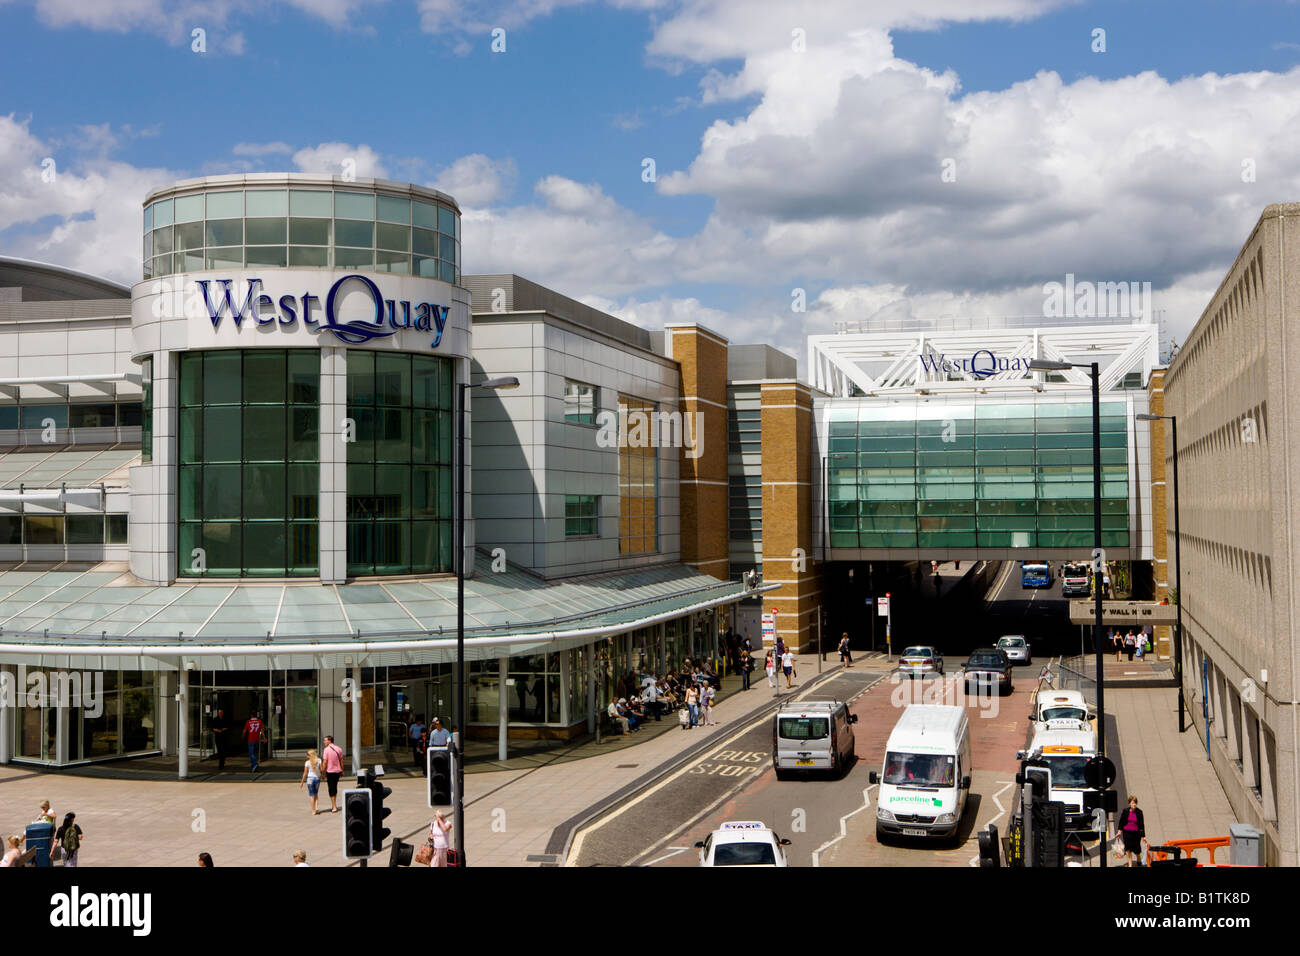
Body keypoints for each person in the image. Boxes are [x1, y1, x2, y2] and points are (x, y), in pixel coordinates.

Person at [1117, 796, 1146, 866]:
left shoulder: (1139, 812)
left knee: (1137, 849)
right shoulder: (1125, 811)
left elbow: (1141, 825)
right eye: (1133, 803)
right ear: (1129, 803)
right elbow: (1121, 822)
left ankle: (1138, 858)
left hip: (1136, 833)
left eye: (1135, 803)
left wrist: (1143, 836)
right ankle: (1130, 864)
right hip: (1127, 833)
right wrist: (1119, 832)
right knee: (1127, 849)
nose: (1134, 804)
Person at [321, 734, 345, 813]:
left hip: (330, 772)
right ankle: (334, 804)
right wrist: (342, 771)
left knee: (331, 788)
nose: (324, 742)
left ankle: (334, 806)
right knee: (334, 787)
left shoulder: (326, 750)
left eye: (325, 740)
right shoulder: (339, 749)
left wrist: (323, 773)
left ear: (329, 741)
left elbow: (325, 762)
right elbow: (341, 761)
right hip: (337, 771)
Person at [300, 748, 323, 815]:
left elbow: (305, 773)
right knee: (316, 794)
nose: (306, 756)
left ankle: (313, 810)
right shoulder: (319, 760)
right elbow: (321, 770)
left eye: (307, 754)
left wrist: (302, 782)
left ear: (310, 755)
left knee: (311, 795)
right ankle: (316, 808)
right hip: (317, 779)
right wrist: (322, 774)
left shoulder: (307, 762)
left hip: (310, 779)